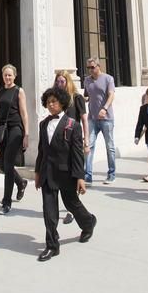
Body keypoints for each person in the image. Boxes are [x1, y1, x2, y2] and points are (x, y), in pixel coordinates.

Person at [34, 87, 96, 261]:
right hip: (47, 172)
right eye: (48, 102)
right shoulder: (43, 124)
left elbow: (77, 153)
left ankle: (88, 223)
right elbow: (41, 150)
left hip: (66, 173)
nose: (51, 105)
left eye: (54, 101)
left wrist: (80, 177)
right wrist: (38, 172)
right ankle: (52, 245)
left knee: (72, 204)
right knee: (49, 210)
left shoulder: (72, 125)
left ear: (61, 103)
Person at [0, 64, 29, 215]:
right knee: (3, 165)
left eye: (10, 75)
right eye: (5, 75)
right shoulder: (0, 90)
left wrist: (26, 134)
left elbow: (24, 113)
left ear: (15, 76)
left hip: (15, 129)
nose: (8, 77)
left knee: (9, 164)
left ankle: (6, 202)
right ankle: (21, 182)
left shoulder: (19, 91)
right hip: (0, 129)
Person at [53, 70, 89, 224]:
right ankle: (72, 207)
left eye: (62, 81)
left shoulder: (77, 98)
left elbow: (84, 120)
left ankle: (72, 210)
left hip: (75, 141)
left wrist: (86, 139)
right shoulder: (57, 100)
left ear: (68, 82)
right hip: (61, 143)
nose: (60, 84)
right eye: (58, 82)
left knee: (75, 173)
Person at [84, 57, 116, 185]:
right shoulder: (87, 80)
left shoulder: (108, 78)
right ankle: (88, 175)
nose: (90, 70)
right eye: (88, 68)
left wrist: (105, 108)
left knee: (110, 147)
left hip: (106, 118)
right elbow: (87, 95)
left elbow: (111, 95)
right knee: (89, 146)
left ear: (98, 66)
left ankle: (111, 173)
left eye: (92, 67)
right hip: (92, 118)